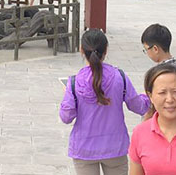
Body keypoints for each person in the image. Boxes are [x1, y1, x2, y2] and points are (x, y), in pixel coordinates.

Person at [59, 29, 150, 174]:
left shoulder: (74, 83)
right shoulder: (120, 77)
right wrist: (150, 97)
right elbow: (138, 106)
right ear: (106, 50)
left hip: (84, 148)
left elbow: (66, 117)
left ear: (82, 50)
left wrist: (67, 97)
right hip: (115, 146)